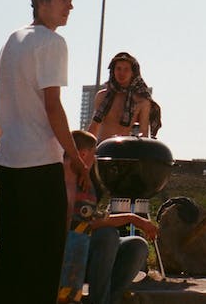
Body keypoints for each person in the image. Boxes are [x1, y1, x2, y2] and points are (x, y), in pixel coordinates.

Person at [0, 0, 91, 304]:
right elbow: (53, 106)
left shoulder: (12, 40)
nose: (70, 6)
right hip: (41, 167)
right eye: (63, 0)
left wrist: (4, 145)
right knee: (43, 262)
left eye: (70, 1)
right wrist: (76, 158)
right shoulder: (52, 42)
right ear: (42, 3)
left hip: (9, 165)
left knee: (12, 260)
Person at [66, 130, 156, 304]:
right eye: (94, 155)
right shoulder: (63, 178)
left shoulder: (87, 180)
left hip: (90, 251)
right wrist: (133, 218)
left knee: (137, 245)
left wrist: (133, 218)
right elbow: (85, 223)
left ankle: (110, 299)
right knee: (107, 235)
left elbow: (93, 216)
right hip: (72, 253)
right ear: (83, 155)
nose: (95, 160)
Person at [87, 52, 162, 141]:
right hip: (102, 146)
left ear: (133, 73)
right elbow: (94, 126)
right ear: (113, 71)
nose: (121, 73)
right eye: (118, 68)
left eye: (126, 69)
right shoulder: (102, 96)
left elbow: (144, 133)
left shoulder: (142, 101)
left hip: (125, 147)